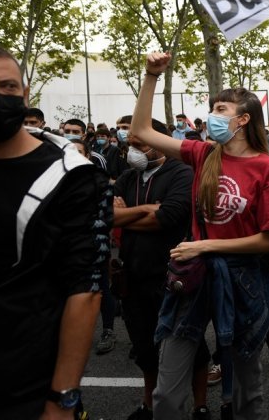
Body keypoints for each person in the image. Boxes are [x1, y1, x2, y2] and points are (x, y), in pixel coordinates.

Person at [131, 52, 269, 420]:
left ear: (243, 119)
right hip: (192, 277)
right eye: (213, 108)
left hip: (242, 278)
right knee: (167, 392)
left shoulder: (267, 167)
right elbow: (142, 132)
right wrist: (151, 76)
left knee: (248, 388)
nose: (212, 115)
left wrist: (205, 244)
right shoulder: (202, 154)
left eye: (221, 109)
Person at [0, 43, 112, 419]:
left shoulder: (72, 176)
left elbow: (85, 290)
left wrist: (62, 400)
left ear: (25, 95)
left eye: (7, 87)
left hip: (25, 385)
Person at [113, 119, 212, 420]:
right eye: (131, 145)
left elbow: (168, 217)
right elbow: (109, 216)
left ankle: (200, 406)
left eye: (141, 143)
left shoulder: (182, 173)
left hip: (174, 276)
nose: (135, 150)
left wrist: (128, 215)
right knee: (144, 347)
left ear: (161, 141)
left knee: (189, 344)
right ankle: (148, 403)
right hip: (133, 275)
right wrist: (146, 209)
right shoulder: (129, 177)